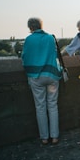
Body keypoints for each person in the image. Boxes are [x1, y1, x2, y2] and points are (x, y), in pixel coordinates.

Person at [22, 17, 62, 145]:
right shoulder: (51, 37)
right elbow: (55, 55)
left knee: (40, 107)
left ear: (30, 27)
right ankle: (55, 137)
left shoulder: (29, 39)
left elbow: (25, 57)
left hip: (36, 76)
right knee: (53, 105)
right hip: (51, 74)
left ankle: (44, 138)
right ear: (41, 25)